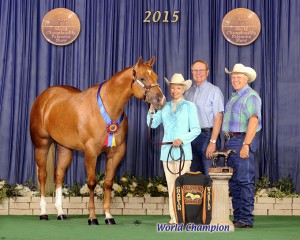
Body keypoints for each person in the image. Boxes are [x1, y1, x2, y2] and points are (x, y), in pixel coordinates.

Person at [147, 73, 201, 224]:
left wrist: (181, 140)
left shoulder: (190, 107)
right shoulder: (165, 106)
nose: (175, 91)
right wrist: (152, 110)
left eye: (178, 88)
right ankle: (174, 218)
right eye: (172, 88)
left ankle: (184, 216)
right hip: (167, 153)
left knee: (182, 185)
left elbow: (196, 130)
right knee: (171, 185)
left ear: (183, 89)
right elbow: (153, 123)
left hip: (183, 152)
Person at [223, 63, 262, 228]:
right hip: (231, 141)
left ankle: (245, 218)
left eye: (239, 77)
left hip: (241, 140)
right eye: (233, 77)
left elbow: (254, 120)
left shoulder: (250, 96)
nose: (235, 79)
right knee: (234, 182)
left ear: (247, 79)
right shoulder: (234, 97)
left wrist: (246, 144)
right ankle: (239, 217)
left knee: (244, 180)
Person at [185, 60, 224, 175]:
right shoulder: (188, 92)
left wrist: (213, 142)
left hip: (207, 136)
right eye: (195, 70)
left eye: (201, 70)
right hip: (191, 136)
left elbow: (218, 118)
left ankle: (210, 193)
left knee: (209, 174)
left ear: (207, 72)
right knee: (193, 175)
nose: (198, 73)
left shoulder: (214, 91)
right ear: (192, 72)